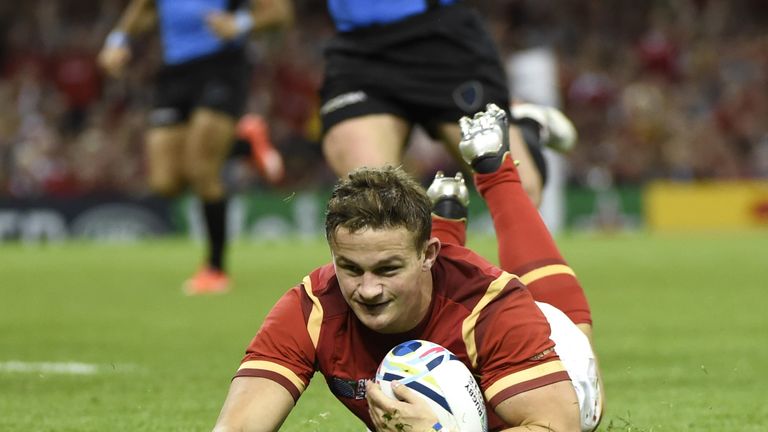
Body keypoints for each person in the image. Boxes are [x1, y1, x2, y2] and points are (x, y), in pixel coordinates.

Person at [213, 106, 602, 431]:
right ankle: (442, 221)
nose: (367, 290)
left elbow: (555, 427)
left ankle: (495, 170)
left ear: (429, 254)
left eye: (386, 269)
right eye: (350, 267)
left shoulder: (491, 306)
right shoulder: (313, 307)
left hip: (526, 351)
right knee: (413, 273)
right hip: (432, 273)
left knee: (579, 380)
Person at [98, 0, 292, 294]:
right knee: (164, 182)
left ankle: (215, 269)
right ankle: (243, 145)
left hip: (221, 66)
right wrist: (117, 40)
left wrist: (239, 24)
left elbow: (279, 13)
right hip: (174, 72)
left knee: (203, 170)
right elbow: (143, 8)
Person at [318, 0, 576, 207]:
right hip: (358, 50)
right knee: (371, 202)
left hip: (442, 38)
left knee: (519, 195)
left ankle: (527, 127)